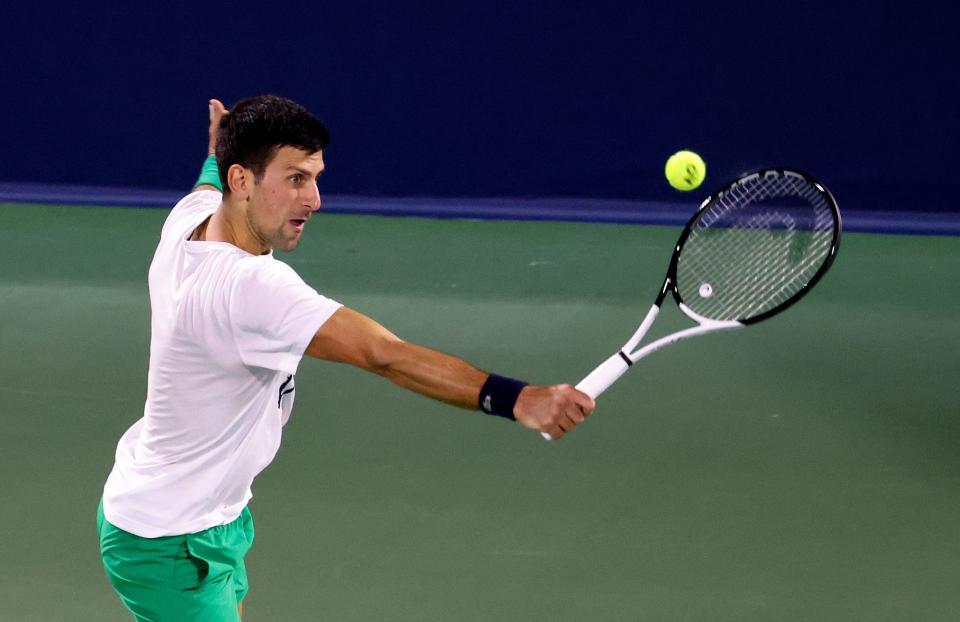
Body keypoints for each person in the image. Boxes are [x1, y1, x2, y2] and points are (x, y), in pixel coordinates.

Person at [97, 95, 595, 621]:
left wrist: (216, 143)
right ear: (241, 181)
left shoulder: (189, 220)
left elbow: (206, 182)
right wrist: (516, 399)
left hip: (198, 517)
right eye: (294, 179)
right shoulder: (249, 287)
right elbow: (384, 354)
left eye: (315, 177)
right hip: (171, 543)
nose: (314, 199)